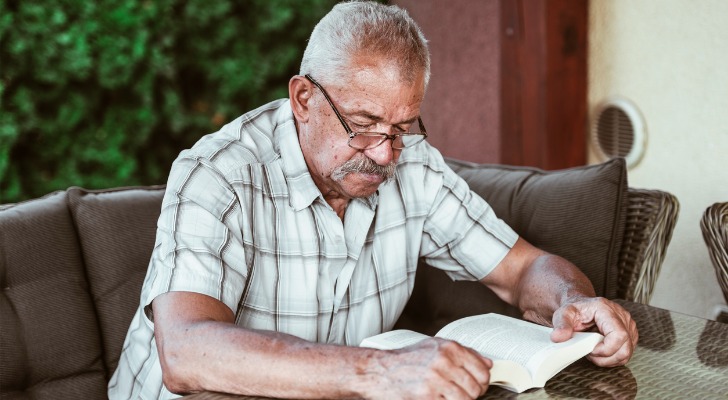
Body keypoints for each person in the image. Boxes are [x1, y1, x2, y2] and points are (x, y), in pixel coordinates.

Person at [109, 1, 638, 399]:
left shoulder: (415, 164)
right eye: (362, 126)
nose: (385, 154)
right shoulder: (219, 174)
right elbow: (185, 351)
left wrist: (572, 302)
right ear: (304, 99)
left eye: (402, 127)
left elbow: (524, 269)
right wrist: (381, 369)